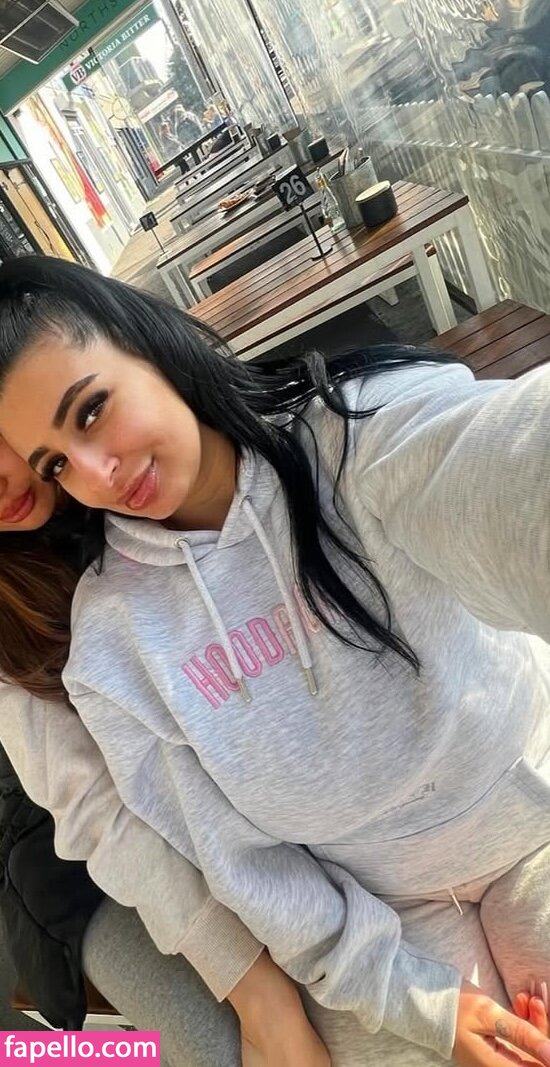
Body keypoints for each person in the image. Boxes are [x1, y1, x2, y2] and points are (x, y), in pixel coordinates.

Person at [0, 255, 550, 1067]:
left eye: (91, 410)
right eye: (56, 464)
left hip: (546, 802)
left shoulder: (355, 433)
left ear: (147, 343)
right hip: (321, 914)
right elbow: (209, 852)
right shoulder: (106, 644)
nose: (96, 473)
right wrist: (404, 1001)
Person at [0, 434, 330, 1066]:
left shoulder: (146, 457)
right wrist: (258, 995)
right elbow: (94, 811)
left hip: (237, 776)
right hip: (89, 856)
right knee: (225, 1049)